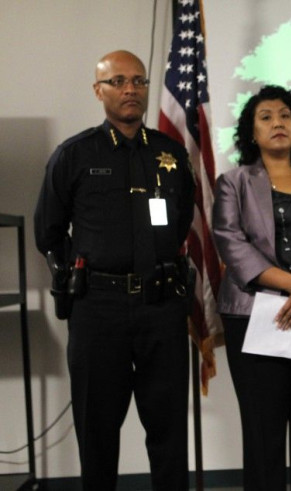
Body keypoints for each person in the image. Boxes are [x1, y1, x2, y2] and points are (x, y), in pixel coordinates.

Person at [33, 50, 194, 490]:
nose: (130, 90)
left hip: (161, 305)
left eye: (138, 81)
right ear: (98, 90)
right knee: (97, 428)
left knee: (168, 428)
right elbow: (47, 231)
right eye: (118, 81)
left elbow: (180, 224)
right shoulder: (75, 154)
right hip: (98, 308)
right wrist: (85, 272)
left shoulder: (171, 154)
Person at [213, 85, 291, 490]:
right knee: (263, 431)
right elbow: (230, 241)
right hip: (252, 317)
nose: (277, 123)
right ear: (252, 132)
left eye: (285, 115)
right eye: (265, 117)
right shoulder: (234, 182)